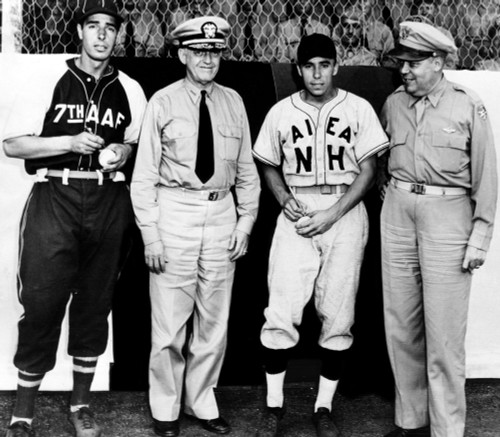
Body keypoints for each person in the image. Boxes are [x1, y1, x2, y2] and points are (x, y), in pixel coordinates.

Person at [1, 0, 147, 436]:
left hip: (108, 198)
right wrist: (67, 140)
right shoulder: (50, 78)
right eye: (93, 26)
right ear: (79, 32)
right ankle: (23, 411)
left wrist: (122, 152)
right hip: (55, 192)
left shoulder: (131, 89)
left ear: (118, 35)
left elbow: (135, 145)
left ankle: (81, 405)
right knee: (42, 303)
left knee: (94, 304)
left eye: (110, 28)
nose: (102, 35)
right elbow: (13, 145)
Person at [252, 33, 389, 437]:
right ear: (298, 69)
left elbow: (368, 171)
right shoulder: (281, 111)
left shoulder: (358, 108)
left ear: (335, 65)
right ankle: (274, 406)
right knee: (280, 311)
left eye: (324, 65)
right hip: (296, 210)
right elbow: (268, 164)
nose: (316, 73)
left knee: (339, 312)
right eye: (309, 66)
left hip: (344, 211)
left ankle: (324, 407)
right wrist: (282, 197)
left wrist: (332, 213)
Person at [130, 15, 260, 437]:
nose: (208, 59)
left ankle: (202, 401)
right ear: (183, 54)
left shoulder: (234, 101)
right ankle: (165, 408)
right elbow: (144, 175)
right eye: (200, 51)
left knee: (214, 320)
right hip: (175, 213)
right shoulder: (163, 102)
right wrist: (151, 234)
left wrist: (246, 222)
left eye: (215, 51)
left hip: (221, 214)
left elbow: (246, 171)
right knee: (169, 324)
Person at [379, 21, 497, 437]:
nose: (404, 71)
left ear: (438, 60)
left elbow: (486, 177)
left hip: (448, 218)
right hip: (397, 213)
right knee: (401, 324)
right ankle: (411, 422)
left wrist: (480, 236)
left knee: (444, 334)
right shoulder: (394, 103)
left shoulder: (467, 106)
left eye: (413, 63)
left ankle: (447, 430)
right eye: (402, 63)